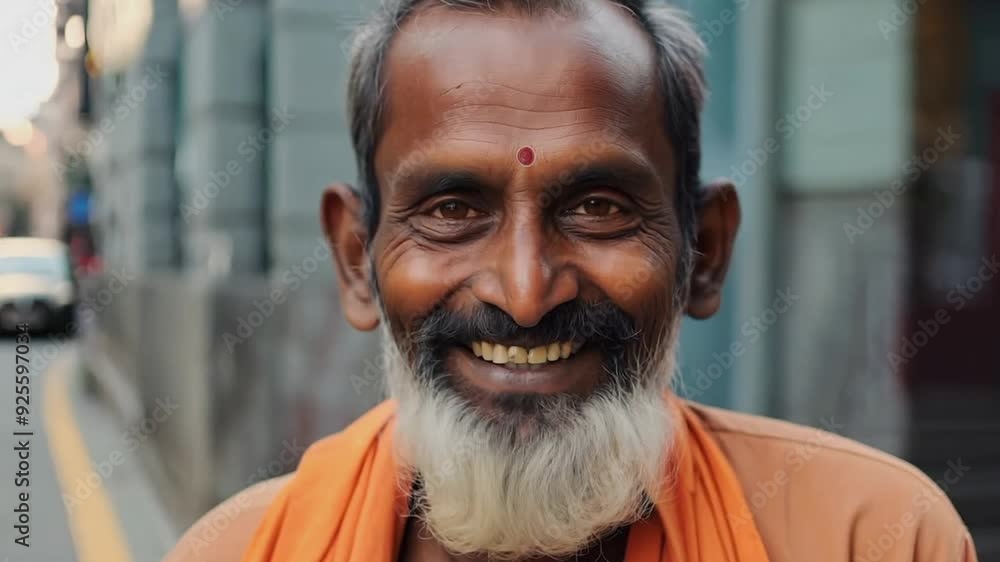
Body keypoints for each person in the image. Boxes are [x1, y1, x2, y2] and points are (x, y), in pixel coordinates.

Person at [164, 1, 977, 560]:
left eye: (597, 207)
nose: (524, 292)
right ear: (355, 260)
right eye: (452, 210)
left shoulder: (873, 537)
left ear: (705, 253)